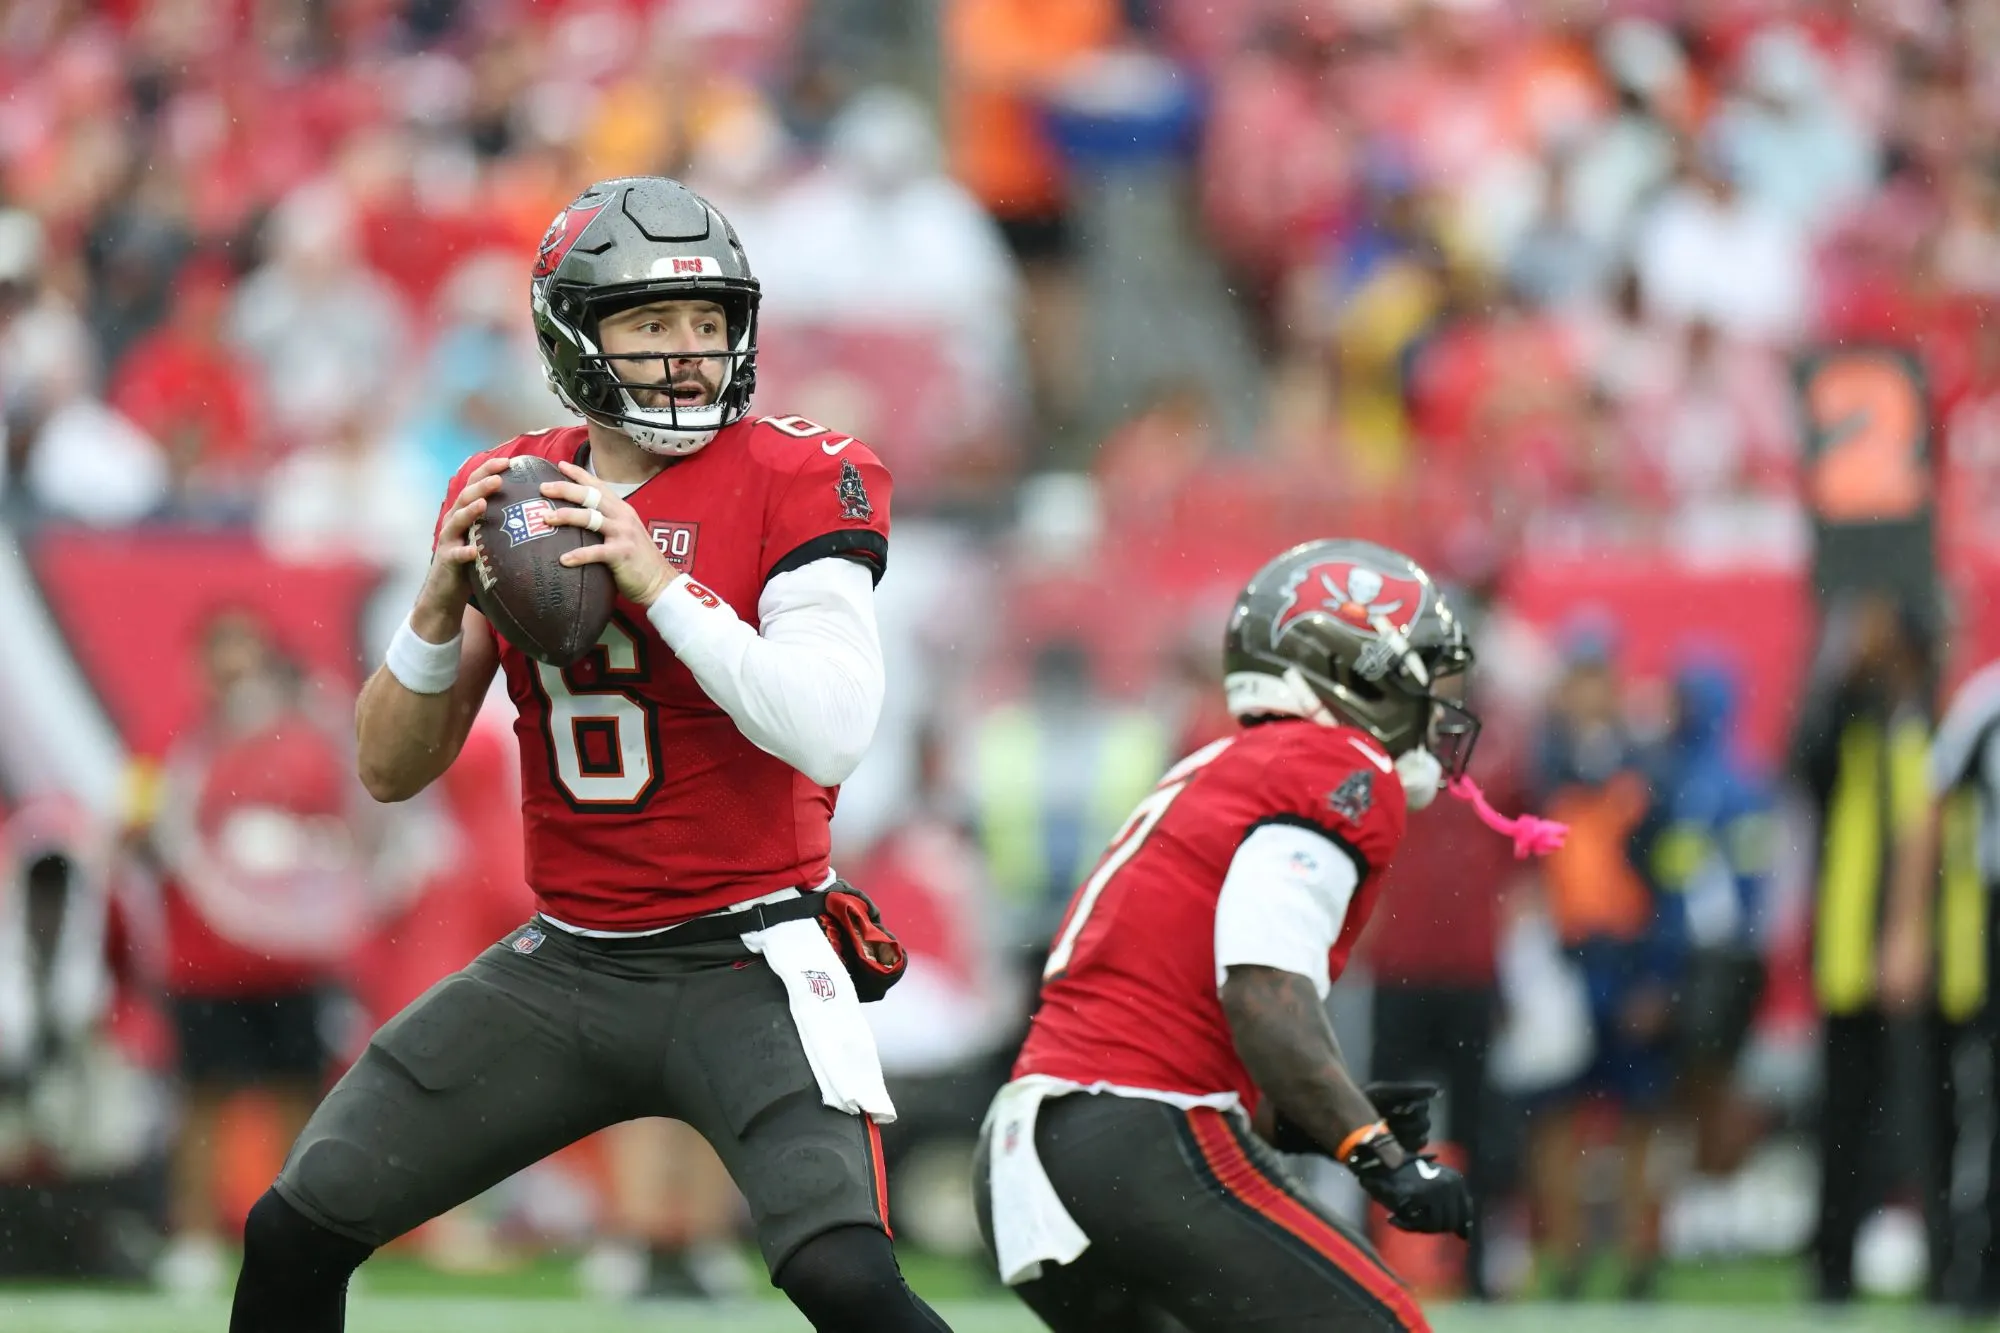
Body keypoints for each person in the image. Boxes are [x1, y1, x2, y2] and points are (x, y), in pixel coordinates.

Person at [226, 176, 952, 1333]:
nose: (688, 353)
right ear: (574, 334)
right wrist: (434, 611)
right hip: (565, 965)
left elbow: (829, 728)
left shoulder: (798, 474)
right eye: (652, 322)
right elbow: (389, 769)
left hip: (746, 958)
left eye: (708, 321)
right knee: (292, 1231)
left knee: (845, 1282)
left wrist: (654, 580)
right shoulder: (516, 489)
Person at [974, 539, 1565, 1332]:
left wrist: (1320, 1117)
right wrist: (1379, 1155)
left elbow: (1186, 1023)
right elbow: (1260, 990)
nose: (1440, 704)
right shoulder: (1336, 766)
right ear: (1362, 673)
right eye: (1425, 674)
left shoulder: (1236, 761)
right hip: (1139, 1133)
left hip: (1036, 1145)